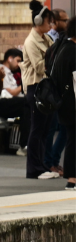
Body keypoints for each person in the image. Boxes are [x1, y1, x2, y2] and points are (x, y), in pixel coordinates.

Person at [20, 0, 55, 179]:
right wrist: (53, 56)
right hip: (35, 86)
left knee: (45, 128)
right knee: (37, 128)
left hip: (45, 87)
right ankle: (34, 169)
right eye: (49, 21)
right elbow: (40, 67)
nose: (51, 25)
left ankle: (41, 165)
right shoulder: (31, 41)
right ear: (39, 21)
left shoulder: (46, 38)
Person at [48, 16, 75, 190]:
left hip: (64, 102)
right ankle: (72, 178)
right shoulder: (73, 51)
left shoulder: (61, 48)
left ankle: (72, 177)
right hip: (73, 102)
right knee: (73, 140)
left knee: (71, 138)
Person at [44, 10, 69, 175]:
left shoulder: (61, 40)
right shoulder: (52, 39)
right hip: (54, 89)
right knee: (53, 128)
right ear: (55, 21)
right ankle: (49, 161)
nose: (66, 24)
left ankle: (53, 160)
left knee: (63, 128)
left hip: (59, 89)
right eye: (64, 20)